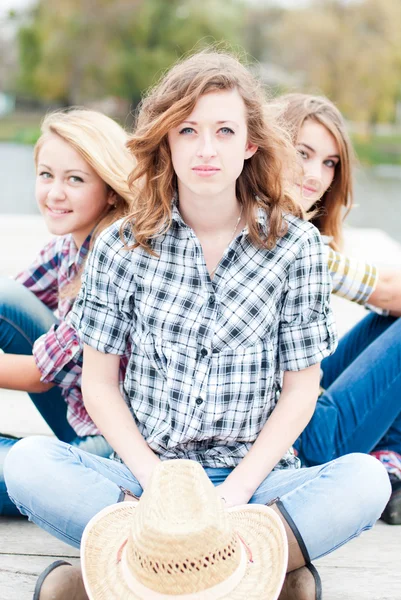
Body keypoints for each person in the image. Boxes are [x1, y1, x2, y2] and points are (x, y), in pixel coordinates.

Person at [4, 51, 390, 600]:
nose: (206, 148)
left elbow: (301, 391)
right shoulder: (122, 244)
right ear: (166, 141)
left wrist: (235, 492)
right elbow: (99, 383)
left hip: (255, 481)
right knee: (29, 463)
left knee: (365, 482)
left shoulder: (296, 247)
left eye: (224, 130)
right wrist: (158, 482)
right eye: (188, 130)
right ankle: (254, 571)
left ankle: (126, 573)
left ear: (249, 144)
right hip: (144, 477)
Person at [0, 108, 134, 515]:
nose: (54, 193)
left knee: (33, 477)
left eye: (74, 179)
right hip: (82, 413)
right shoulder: (73, 243)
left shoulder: (114, 257)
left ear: (111, 189)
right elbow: (14, 299)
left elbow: (43, 375)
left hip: (119, 447)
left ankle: (60, 477)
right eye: (46, 175)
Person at [279, 93, 401, 524]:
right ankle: (390, 455)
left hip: (291, 413)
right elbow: (388, 290)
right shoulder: (280, 236)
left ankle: (390, 454)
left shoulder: (278, 225)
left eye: (329, 163)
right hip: (301, 445)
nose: (315, 175)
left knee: (383, 324)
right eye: (303, 154)